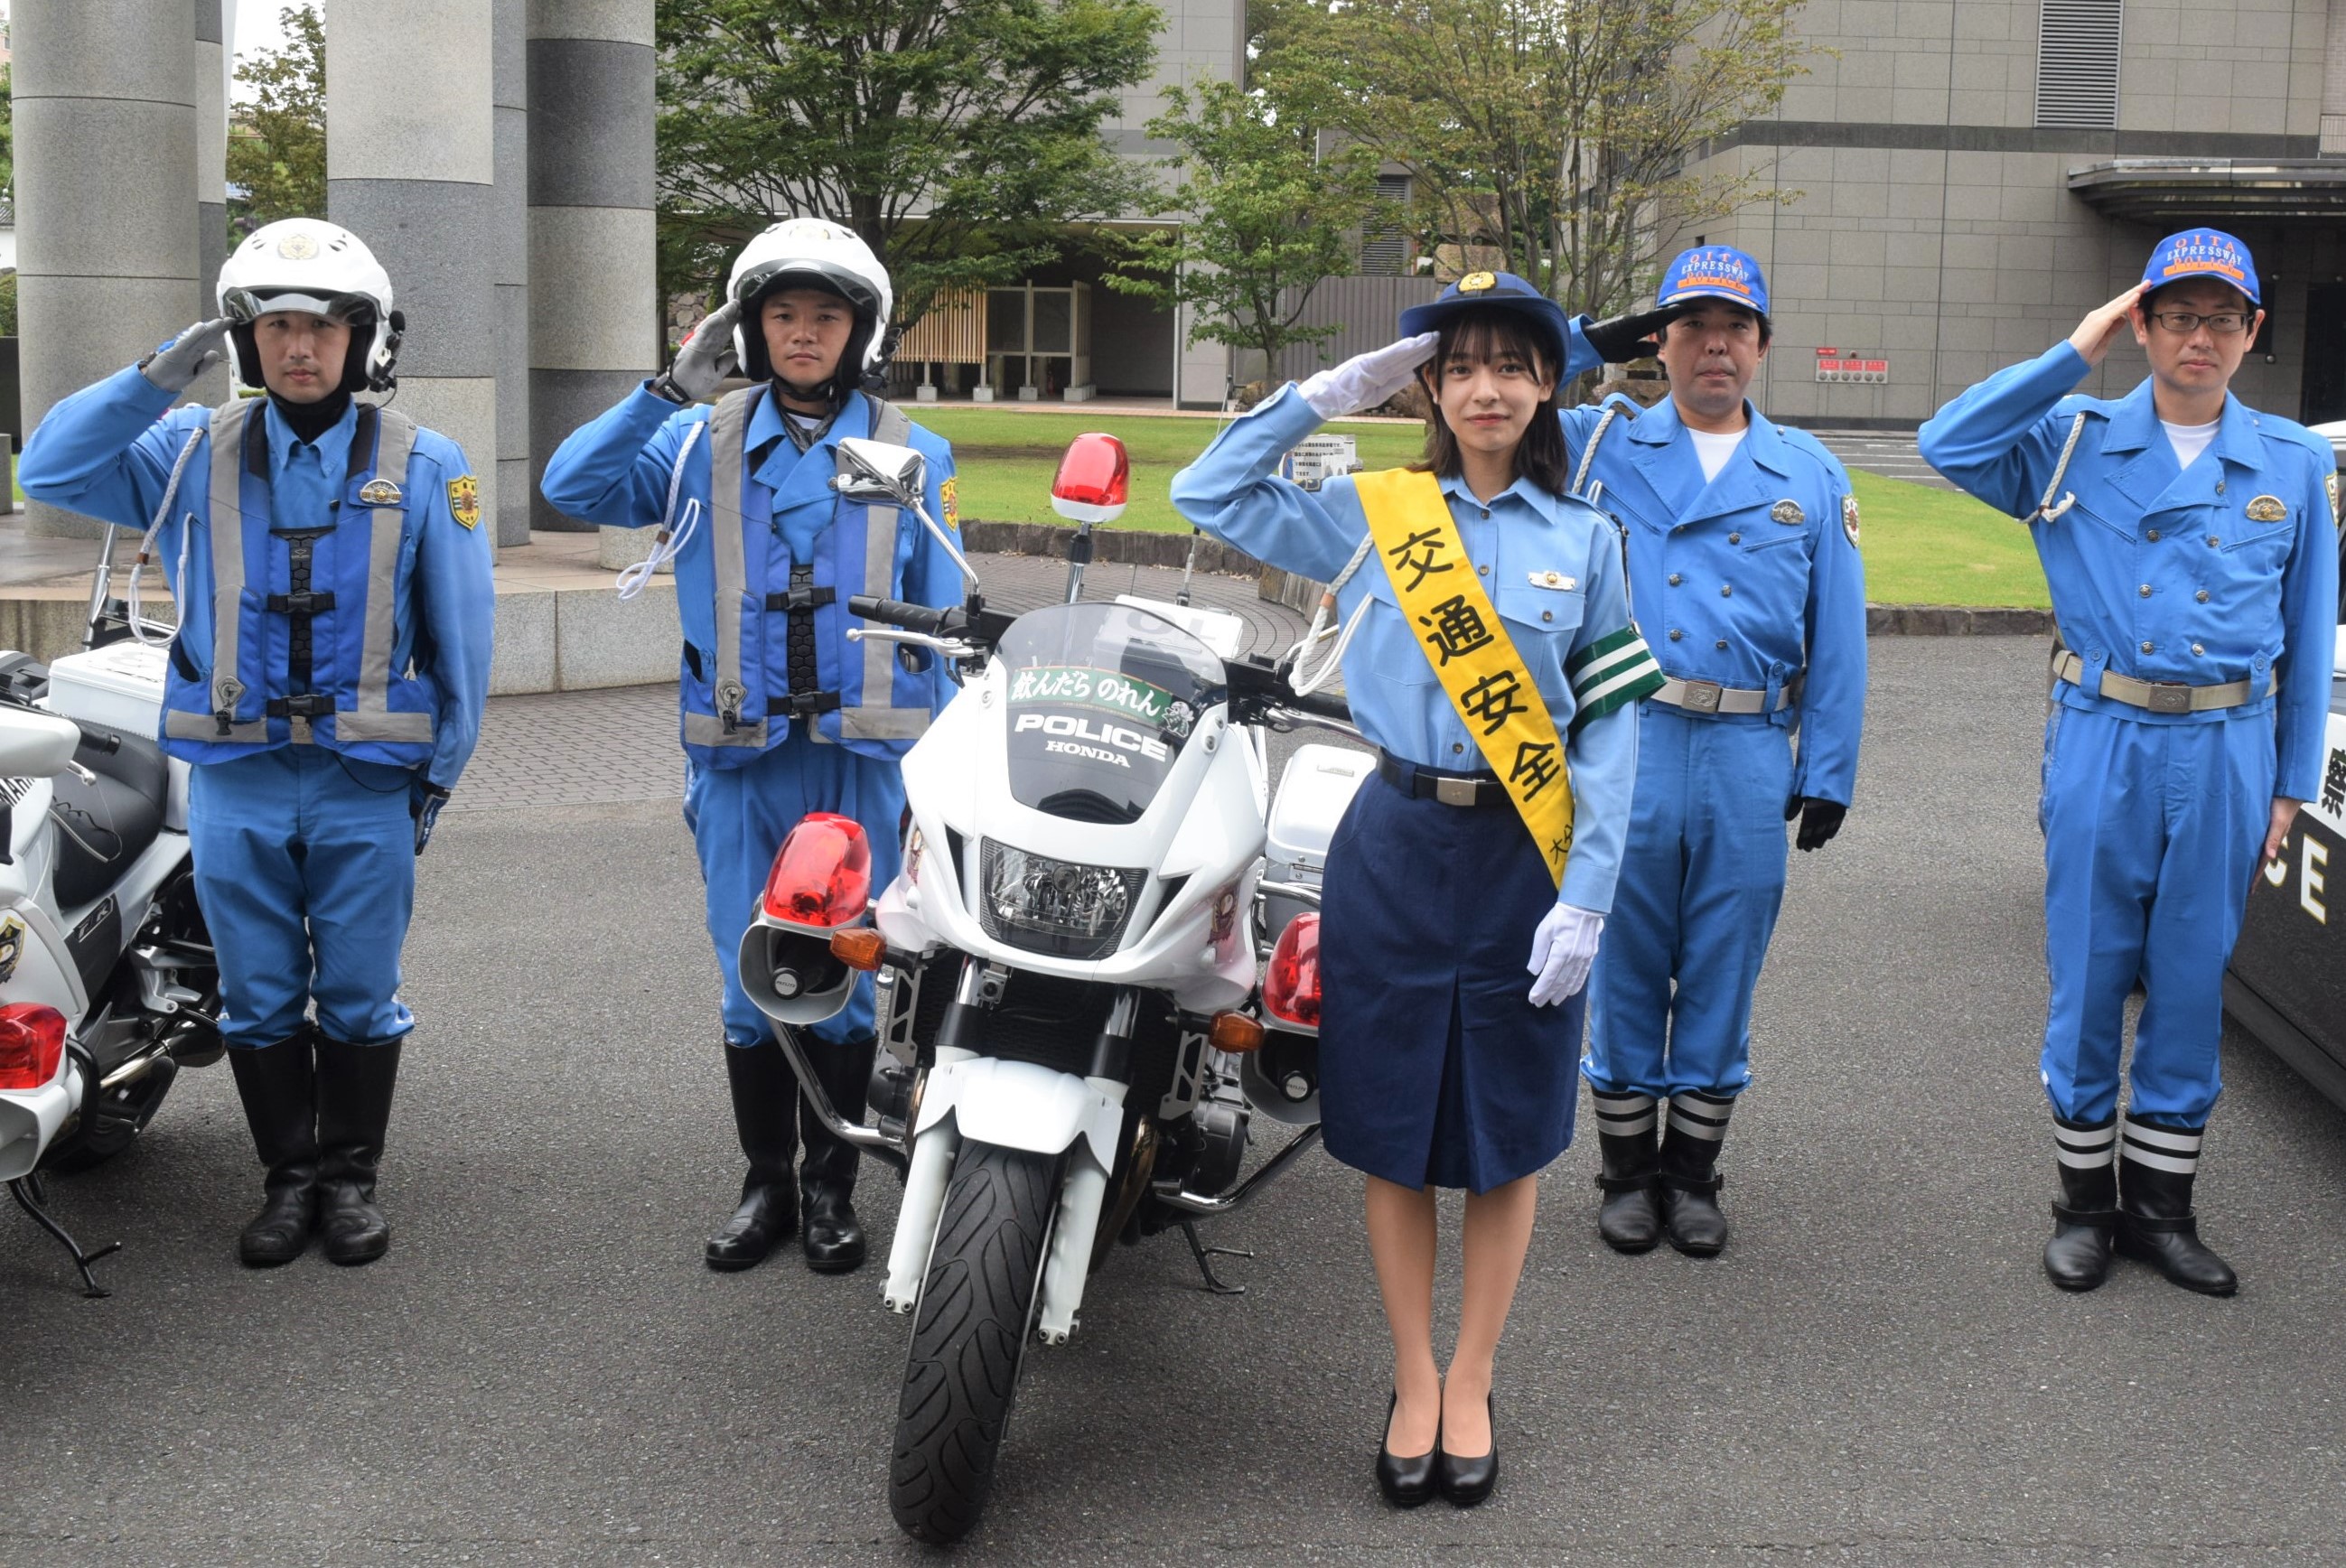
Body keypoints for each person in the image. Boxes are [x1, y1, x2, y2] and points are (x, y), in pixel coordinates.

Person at [1172, 272, 1665, 1507]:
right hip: (1391, 844)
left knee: (1506, 1133)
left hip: (1525, 861)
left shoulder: (1588, 540)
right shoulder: (1373, 513)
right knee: (1390, 1126)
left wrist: (1589, 892)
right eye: (1460, 367)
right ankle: (1410, 1374)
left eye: (1511, 365)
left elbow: (1610, 732)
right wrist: (1336, 388)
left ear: (1546, 385)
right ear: (1431, 388)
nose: (1486, 388)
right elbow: (1208, 490)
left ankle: (1473, 1376)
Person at [18, 218, 495, 1268]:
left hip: (366, 779)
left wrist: (435, 783)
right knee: (260, 990)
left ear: (364, 340)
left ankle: (350, 1181)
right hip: (236, 779)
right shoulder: (188, 449)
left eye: (323, 327)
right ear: (243, 341)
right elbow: (48, 468)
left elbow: (464, 641)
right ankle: (287, 1180)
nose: (299, 347)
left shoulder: (427, 463)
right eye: (275, 326)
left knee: (359, 989)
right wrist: (157, 375)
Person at [539, 218, 961, 1277]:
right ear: (750, 327)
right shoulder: (694, 441)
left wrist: (948, 779)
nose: (802, 333)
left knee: (849, 972)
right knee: (752, 973)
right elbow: (573, 488)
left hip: (861, 757)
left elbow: (945, 619)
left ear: (861, 331)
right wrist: (663, 390)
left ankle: (831, 1186)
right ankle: (765, 1178)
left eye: (824, 316)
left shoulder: (914, 449)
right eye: (781, 314)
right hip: (741, 756)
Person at [1919, 229, 2337, 1296]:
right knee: (2090, 971)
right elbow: (1946, 441)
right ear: (2140, 324)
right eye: (2177, 314)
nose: (2199, 336)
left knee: (2192, 979)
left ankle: (2161, 1208)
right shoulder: (2070, 438)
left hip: (2228, 746)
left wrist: (2290, 781)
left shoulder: (2291, 460)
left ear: (2250, 332)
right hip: (2102, 735)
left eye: (2221, 318)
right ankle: (2081, 1204)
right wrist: (2075, 350)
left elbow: (2305, 631)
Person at [1556, 247, 1868, 1257]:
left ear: (1762, 346)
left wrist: (1826, 769)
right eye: (1692, 325)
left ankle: (1691, 1173)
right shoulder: (1597, 443)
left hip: (1746, 743)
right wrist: (1590, 340)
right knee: (1623, 954)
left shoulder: (1807, 473)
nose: (1715, 345)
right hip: (1629, 737)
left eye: (1736, 326)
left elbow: (1839, 634)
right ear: (1659, 342)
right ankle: (1623, 1171)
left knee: (1723, 962)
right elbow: (1499, 384)